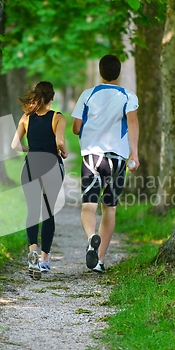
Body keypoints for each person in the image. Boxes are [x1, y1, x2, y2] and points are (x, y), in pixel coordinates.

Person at [71, 54, 139, 273]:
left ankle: (92, 238)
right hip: (117, 158)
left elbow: (75, 127)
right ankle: (99, 261)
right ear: (118, 73)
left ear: (100, 72)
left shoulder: (87, 95)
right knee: (110, 208)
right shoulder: (128, 96)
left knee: (88, 205)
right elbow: (133, 122)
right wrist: (134, 154)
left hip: (92, 157)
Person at [11, 81, 68, 280]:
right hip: (51, 164)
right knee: (48, 212)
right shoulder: (58, 118)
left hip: (31, 165)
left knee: (33, 210)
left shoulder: (26, 117)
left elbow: (14, 144)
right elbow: (60, 142)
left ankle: (32, 252)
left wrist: (28, 149)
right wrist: (65, 152)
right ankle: (44, 260)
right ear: (51, 98)